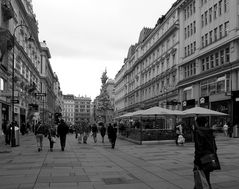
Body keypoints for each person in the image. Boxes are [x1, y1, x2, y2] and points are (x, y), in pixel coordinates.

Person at [193, 117, 220, 189]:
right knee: (205, 176)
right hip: (210, 157)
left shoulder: (198, 132)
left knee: (201, 177)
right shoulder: (210, 132)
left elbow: (199, 147)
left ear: (197, 123)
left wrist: (197, 160)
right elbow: (215, 147)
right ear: (206, 123)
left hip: (201, 158)